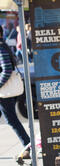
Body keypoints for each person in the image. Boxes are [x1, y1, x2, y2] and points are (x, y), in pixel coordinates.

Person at [0, 26, 31, 157]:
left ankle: (28, 145)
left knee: (12, 120)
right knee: (11, 119)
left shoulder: (1, 47)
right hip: (5, 89)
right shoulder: (3, 46)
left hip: (4, 90)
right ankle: (28, 145)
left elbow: (7, 68)